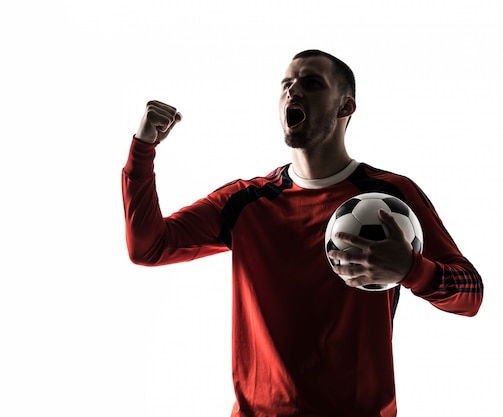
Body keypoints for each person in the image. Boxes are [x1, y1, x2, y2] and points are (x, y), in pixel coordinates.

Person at [122, 49, 483, 417]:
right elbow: (149, 247)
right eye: (286, 85)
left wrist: (411, 269)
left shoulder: (390, 197)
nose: (293, 92)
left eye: (311, 83)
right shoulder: (246, 201)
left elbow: (471, 295)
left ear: (345, 107)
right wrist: (142, 149)